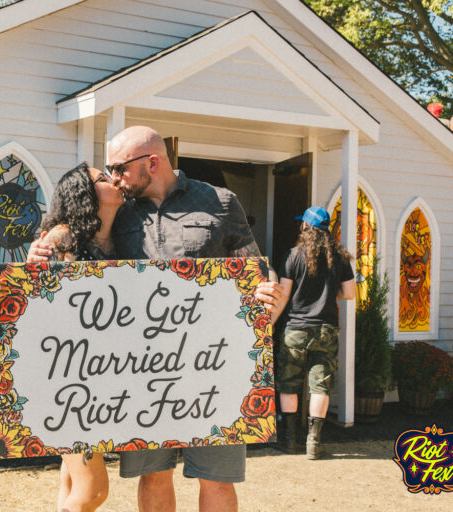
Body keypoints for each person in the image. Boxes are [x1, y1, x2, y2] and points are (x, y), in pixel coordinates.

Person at [29, 126, 284, 512]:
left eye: (118, 167)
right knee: (153, 477)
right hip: (142, 373)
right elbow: (74, 250)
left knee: (217, 481)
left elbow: (258, 275)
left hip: (213, 367)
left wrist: (270, 297)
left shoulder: (220, 201)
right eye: (108, 171)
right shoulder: (118, 210)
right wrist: (44, 248)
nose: (113, 177)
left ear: (152, 162)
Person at [0, 162, 123, 512]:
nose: (112, 179)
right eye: (102, 177)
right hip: (64, 379)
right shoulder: (62, 238)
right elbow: (30, 300)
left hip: (100, 375)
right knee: (93, 491)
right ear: (84, 193)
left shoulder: (121, 238)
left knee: (70, 481)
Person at [273, 206, 355, 460]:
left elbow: (284, 294)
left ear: (304, 227)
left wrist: (269, 323)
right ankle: (314, 444)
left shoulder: (293, 255)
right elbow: (350, 293)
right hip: (326, 329)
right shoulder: (340, 258)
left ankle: (291, 441)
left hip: (295, 330)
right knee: (320, 386)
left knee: (289, 384)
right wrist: (330, 293)